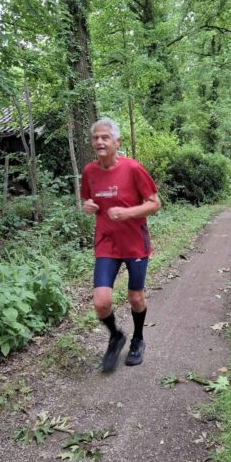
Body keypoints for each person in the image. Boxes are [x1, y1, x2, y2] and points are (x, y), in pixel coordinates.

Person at [81, 118, 161, 372]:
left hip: (135, 242)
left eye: (105, 137)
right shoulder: (89, 172)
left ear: (117, 142)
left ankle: (137, 339)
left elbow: (155, 203)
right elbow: (86, 201)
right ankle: (116, 336)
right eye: (96, 138)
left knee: (135, 297)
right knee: (101, 302)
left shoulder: (133, 168)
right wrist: (86, 206)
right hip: (106, 243)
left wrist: (127, 213)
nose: (99, 142)